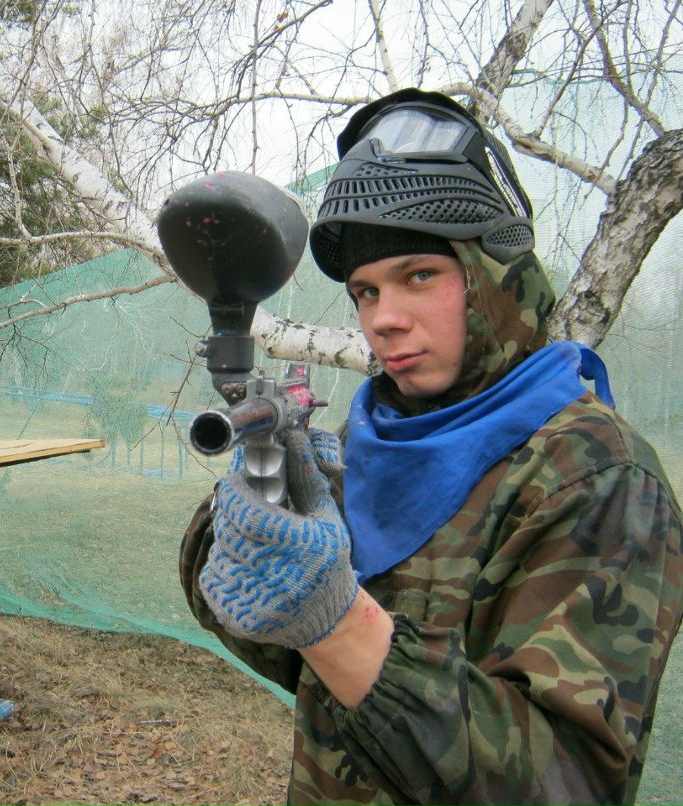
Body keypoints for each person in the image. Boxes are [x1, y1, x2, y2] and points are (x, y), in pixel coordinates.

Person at [180, 88, 682, 805]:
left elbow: (566, 785)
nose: (383, 320)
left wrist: (340, 620)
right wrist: (242, 518)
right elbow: (296, 661)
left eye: (419, 276)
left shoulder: (596, 476)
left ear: (492, 277)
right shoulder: (376, 442)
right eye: (364, 292)